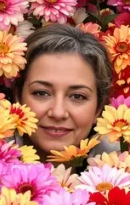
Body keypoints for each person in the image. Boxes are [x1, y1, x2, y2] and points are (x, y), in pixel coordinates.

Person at [12, 23, 119, 162]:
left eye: (77, 96)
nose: (58, 113)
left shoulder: (128, 176)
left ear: (98, 109)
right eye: (41, 93)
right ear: (18, 98)